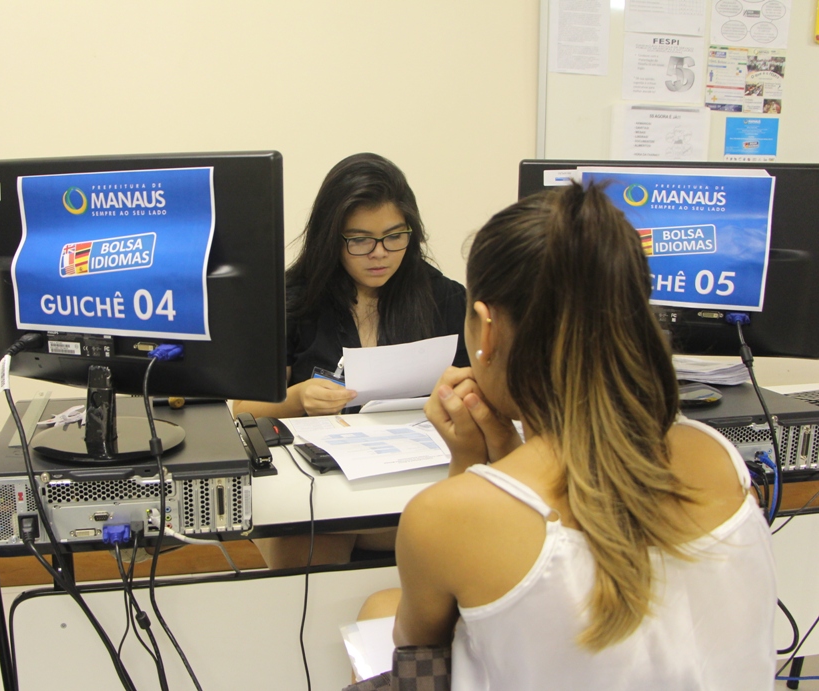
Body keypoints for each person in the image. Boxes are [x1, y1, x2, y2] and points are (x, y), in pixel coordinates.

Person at [355, 182, 776, 689]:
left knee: (379, 613)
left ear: (486, 331)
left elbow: (419, 657)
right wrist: (505, 461)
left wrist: (470, 472)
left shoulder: (445, 516)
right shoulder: (718, 455)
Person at [234, 152, 469, 567]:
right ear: (331, 238)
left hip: (414, 473)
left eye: (395, 236)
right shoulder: (293, 299)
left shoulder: (444, 298)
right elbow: (242, 410)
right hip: (323, 480)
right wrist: (298, 398)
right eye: (359, 240)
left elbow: (478, 387)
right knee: (316, 543)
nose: (379, 253)